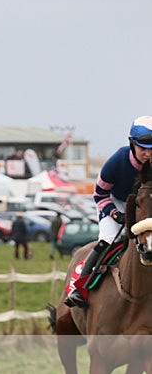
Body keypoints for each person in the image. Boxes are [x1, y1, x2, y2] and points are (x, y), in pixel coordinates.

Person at [65, 115, 152, 307]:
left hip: (146, 206)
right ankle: (81, 287)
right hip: (115, 202)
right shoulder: (118, 161)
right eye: (142, 148)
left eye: (151, 150)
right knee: (108, 240)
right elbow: (99, 195)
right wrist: (116, 214)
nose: (147, 154)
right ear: (131, 144)